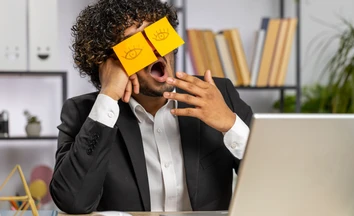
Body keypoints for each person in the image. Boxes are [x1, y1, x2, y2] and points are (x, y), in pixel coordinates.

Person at [49, 0, 253, 214]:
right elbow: (72, 202)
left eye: (158, 35)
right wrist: (108, 95)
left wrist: (231, 125)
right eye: (135, 46)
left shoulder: (218, 94)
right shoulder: (84, 113)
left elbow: (273, 181)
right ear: (110, 64)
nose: (155, 51)